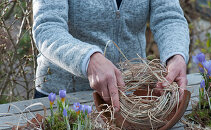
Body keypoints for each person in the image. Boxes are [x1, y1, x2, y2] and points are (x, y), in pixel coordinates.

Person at [33, 0, 190, 112]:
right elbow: (47, 28)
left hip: (132, 100)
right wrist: (88, 59)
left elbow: (169, 18)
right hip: (63, 100)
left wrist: (175, 55)